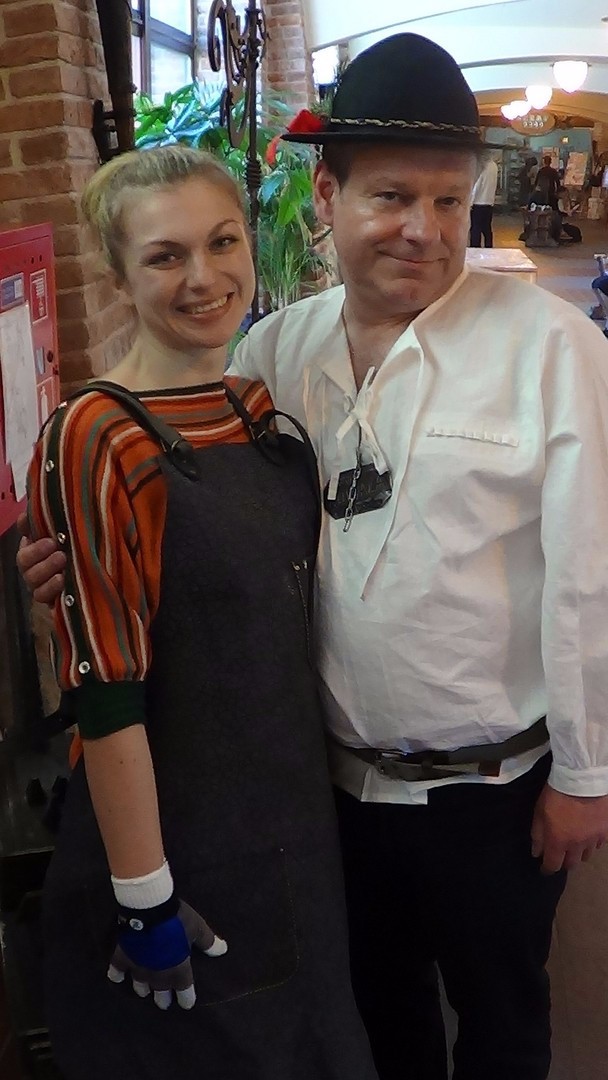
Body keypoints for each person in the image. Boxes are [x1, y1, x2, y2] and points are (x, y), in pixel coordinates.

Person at [19, 33, 608, 1080]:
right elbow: (221, 533)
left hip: (490, 792)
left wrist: (586, 771)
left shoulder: (552, 349)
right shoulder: (272, 353)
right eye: (391, 197)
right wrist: (81, 564)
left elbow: (588, 575)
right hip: (327, 792)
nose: (423, 229)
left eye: (446, 200)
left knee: (505, 1024)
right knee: (379, 1021)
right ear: (327, 195)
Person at [24, 146, 378, 1080]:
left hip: (292, 824)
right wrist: (144, 897)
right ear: (117, 276)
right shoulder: (97, 434)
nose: (203, 277)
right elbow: (106, 696)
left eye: (222, 243)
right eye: (165, 256)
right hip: (179, 844)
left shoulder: (253, 406)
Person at [469, 154, 498, 247]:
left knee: (475, 229)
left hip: (478, 202)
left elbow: (477, 186)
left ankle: (475, 249)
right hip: (489, 202)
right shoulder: (494, 166)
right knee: (487, 229)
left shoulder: (482, 166)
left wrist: (470, 202)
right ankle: (489, 248)